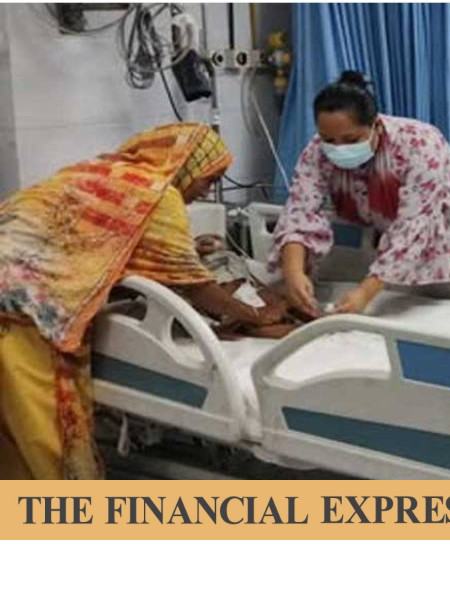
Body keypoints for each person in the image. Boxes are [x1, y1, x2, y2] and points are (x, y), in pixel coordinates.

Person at [0, 122, 281, 479]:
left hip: (13, 290)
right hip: (25, 311)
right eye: (209, 180)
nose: (206, 191)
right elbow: (197, 287)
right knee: (45, 433)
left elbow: (90, 242)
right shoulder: (159, 194)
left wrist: (187, 252)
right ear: (189, 166)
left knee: (9, 429)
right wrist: (254, 315)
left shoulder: (103, 171)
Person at [269, 70, 450, 317]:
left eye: (351, 139)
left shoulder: (419, 143)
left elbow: (414, 226)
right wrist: (293, 272)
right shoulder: (317, 150)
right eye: (329, 140)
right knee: (396, 291)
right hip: (387, 217)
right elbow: (299, 209)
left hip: (443, 212)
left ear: (376, 126)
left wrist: (365, 292)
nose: (338, 148)